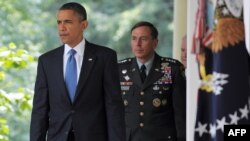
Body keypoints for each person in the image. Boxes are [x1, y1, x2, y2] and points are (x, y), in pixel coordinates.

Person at [30, 2, 125, 141]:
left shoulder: (105, 57)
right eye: (59, 22)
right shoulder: (46, 61)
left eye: (68, 22)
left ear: (84, 25)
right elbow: (40, 110)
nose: (61, 28)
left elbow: (114, 107)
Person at [118, 21, 186, 141]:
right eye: (134, 39)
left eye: (143, 39)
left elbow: (180, 113)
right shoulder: (119, 69)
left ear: (155, 43)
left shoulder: (172, 69)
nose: (138, 44)